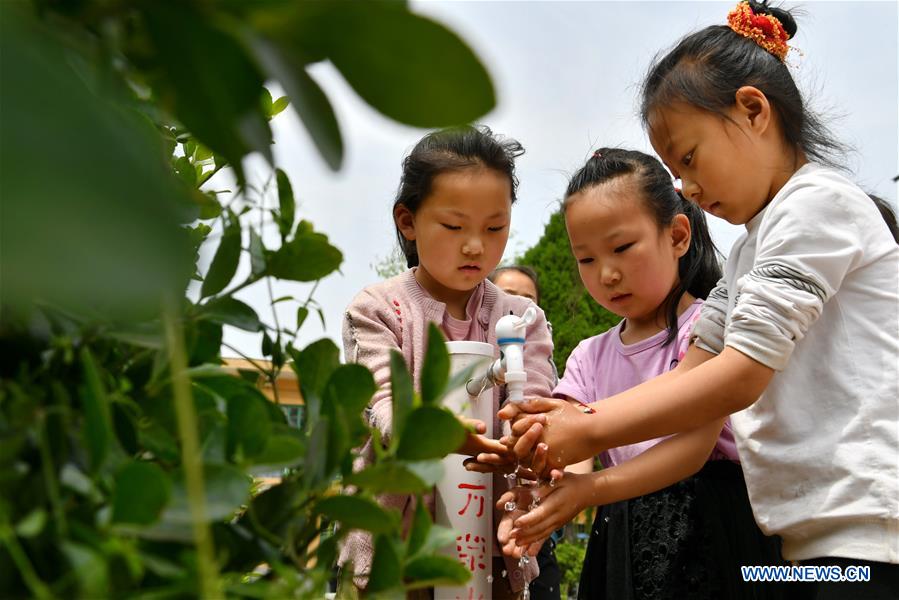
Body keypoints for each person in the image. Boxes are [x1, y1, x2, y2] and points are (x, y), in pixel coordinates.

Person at [501, 2, 899, 598]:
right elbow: (694, 374)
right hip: (801, 547)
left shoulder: (817, 205)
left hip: (866, 543)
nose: (687, 188)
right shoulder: (746, 256)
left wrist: (588, 430)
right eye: (674, 170)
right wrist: (573, 435)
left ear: (753, 110)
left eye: (689, 159)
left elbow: (738, 377)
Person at [508, 148, 787, 599]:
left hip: (711, 525)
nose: (608, 274)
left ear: (677, 236)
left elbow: (692, 451)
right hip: (618, 529)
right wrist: (547, 477)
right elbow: (572, 442)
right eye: (587, 259)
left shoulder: (708, 330)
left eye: (621, 248)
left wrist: (588, 489)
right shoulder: (589, 355)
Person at [338, 125, 557, 598]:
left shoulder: (522, 317)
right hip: (394, 558)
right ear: (408, 221)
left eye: (495, 227)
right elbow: (384, 410)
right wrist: (441, 433)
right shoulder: (378, 310)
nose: (476, 245)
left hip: (494, 556)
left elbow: (540, 404)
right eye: (455, 227)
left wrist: (531, 439)